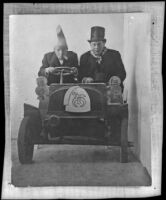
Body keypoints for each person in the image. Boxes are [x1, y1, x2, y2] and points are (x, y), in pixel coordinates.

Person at [79, 26, 126, 91]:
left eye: (99, 44)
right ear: (90, 44)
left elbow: (122, 73)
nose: (96, 47)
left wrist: (117, 78)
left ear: (104, 43)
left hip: (111, 91)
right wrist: (85, 79)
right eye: (94, 44)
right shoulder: (84, 57)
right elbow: (80, 75)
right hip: (91, 91)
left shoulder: (114, 55)